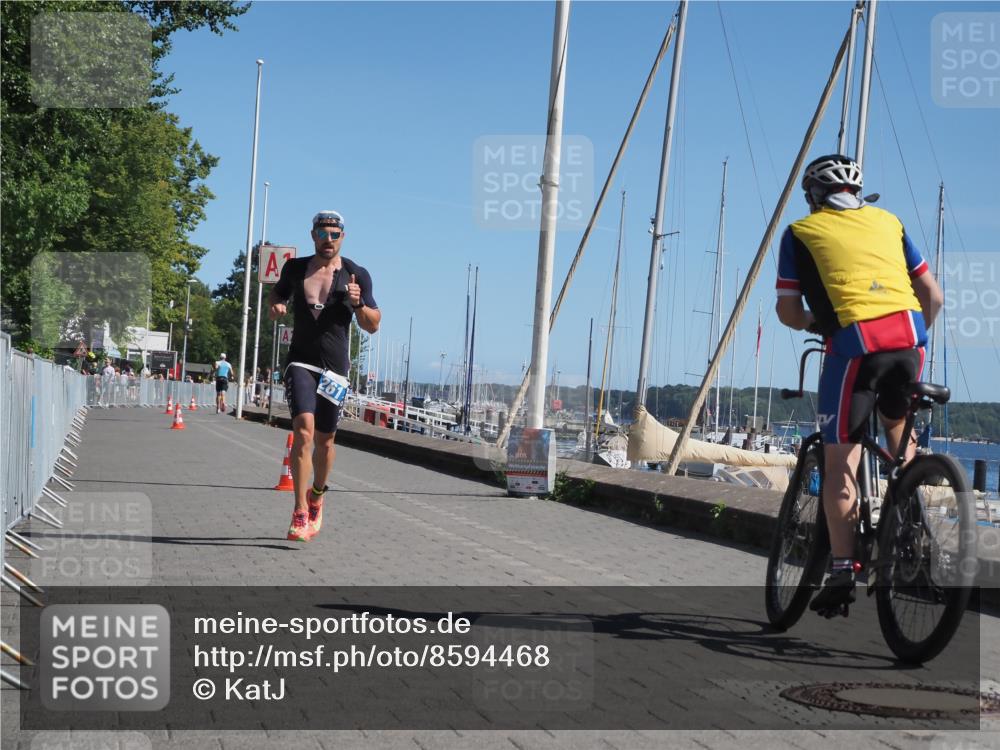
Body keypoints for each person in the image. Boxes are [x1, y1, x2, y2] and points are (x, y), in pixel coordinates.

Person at [775, 154, 944, 618]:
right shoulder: (889, 221)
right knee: (896, 425)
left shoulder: (801, 233)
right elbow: (933, 295)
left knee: (840, 459)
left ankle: (845, 568)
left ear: (813, 197)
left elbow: (789, 312)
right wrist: (911, 338)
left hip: (855, 345)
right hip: (911, 341)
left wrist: (814, 320)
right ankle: (909, 521)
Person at [269, 210, 380, 542]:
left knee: (325, 440)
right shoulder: (294, 268)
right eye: (322, 234)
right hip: (301, 362)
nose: (328, 240)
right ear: (312, 235)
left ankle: (317, 495)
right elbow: (277, 294)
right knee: (303, 429)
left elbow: (373, 325)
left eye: (334, 234)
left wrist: (359, 305)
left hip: (335, 369)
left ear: (343, 236)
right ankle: (300, 510)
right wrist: (276, 306)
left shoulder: (356, 274)